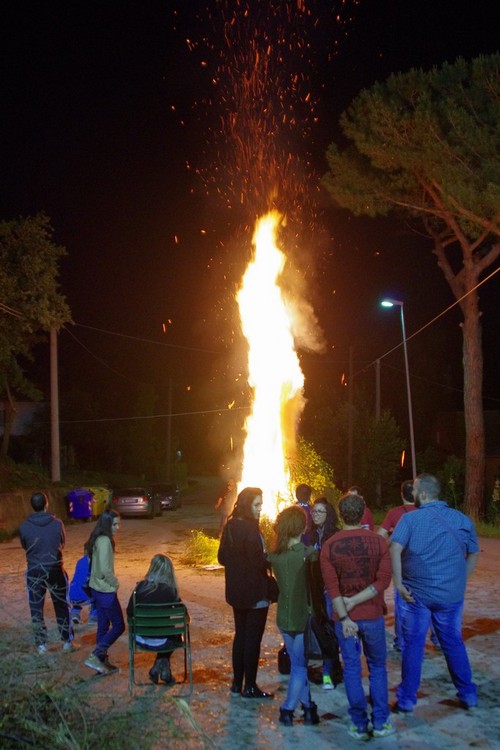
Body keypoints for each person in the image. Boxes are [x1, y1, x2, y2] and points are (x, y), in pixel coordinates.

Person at [390, 473, 479, 713]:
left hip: (416, 595)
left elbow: (395, 548)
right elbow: (474, 553)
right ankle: (468, 694)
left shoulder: (410, 520)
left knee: (413, 645)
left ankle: (407, 699)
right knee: (453, 643)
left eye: (416, 490)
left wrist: (398, 583)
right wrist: (461, 579)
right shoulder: (462, 520)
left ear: (423, 494)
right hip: (450, 595)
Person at [321, 493, 394, 740]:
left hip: (346, 620)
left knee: (352, 668)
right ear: (363, 513)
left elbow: (332, 588)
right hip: (372, 616)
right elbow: (383, 581)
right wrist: (357, 601)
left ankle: (359, 724)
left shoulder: (330, 546)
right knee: (377, 667)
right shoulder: (379, 543)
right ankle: (382, 722)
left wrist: (345, 617)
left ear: (341, 514)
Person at [217, 486, 273, 699]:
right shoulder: (251, 529)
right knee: (252, 640)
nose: (260, 509)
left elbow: (221, 558)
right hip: (255, 593)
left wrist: (236, 562)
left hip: (236, 592)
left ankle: (236, 683)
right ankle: (250, 686)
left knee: (240, 636)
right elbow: (259, 561)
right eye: (257, 505)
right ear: (247, 504)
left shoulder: (231, 526)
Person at [268, 505, 320, 726]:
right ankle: (287, 709)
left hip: (283, 617)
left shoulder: (274, 556)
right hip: (302, 616)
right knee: (299, 666)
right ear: (302, 527)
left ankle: (309, 708)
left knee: (299, 662)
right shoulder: (308, 554)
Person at [19, 491, 74, 653]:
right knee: (62, 604)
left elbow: (25, 545)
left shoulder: (24, 526)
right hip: (55, 568)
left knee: (36, 607)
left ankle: (41, 644)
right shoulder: (57, 524)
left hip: (35, 570)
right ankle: (66, 641)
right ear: (46, 504)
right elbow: (62, 543)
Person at [303, 497, 343, 690]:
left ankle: (330, 670)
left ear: (328, 515)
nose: (315, 515)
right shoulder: (309, 536)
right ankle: (331, 667)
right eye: (314, 511)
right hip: (315, 590)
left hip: (330, 590)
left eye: (320, 512)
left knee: (332, 630)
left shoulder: (335, 536)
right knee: (321, 628)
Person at [127, 554, 182, 684]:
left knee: (169, 630)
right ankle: (161, 666)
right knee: (176, 631)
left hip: (140, 637)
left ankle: (161, 668)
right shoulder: (171, 592)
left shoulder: (139, 588)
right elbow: (182, 613)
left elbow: (130, 612)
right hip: (163, 641)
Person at [83, 509, 125, 675]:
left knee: (103, 625)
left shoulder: (97, 539)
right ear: (107, 524)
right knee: (119, 626)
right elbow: (105, 570)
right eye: (114, 524)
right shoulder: (105, 541)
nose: (118, 527)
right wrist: (115, 584)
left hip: (96, 589)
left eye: (118, 523)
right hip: (105, 590)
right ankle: (95, 655)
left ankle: (100, 661)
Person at [378, 480, 416, 651]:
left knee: (402, 605)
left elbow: (380, 537)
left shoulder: (395, 513)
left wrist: (391, 541)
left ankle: (401, 641)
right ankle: (436, 639)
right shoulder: (424, 511)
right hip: (424, 566)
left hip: (402, 565)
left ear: (401, 495)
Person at [69, 547, 98, 625]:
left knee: (77, 586)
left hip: (71, 596)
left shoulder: (79, 561)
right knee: (99, 593)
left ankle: (75, 612)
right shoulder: (95, 562)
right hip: (84, 597)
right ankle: (93, 616)